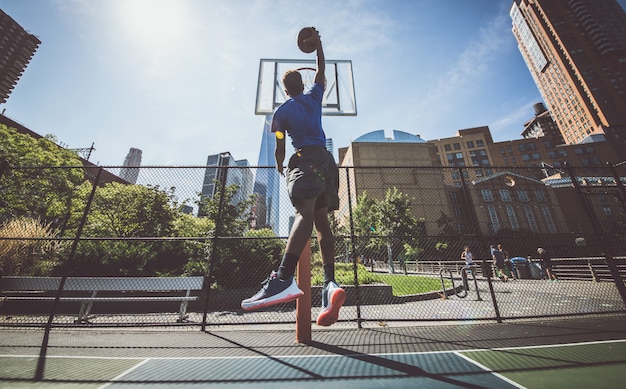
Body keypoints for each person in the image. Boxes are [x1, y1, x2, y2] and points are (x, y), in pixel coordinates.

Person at [241, 28, 345, 326]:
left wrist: (278, 165)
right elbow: (322, 69)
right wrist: (320, 45)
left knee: (305, 213)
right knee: (323, 222)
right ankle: (330, 284)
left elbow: (279, 143)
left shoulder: (281, 113)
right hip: (327, 163)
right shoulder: (315, 95)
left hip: (304, 159)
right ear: (304, 82)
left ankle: (283, 278)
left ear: (286, 89)